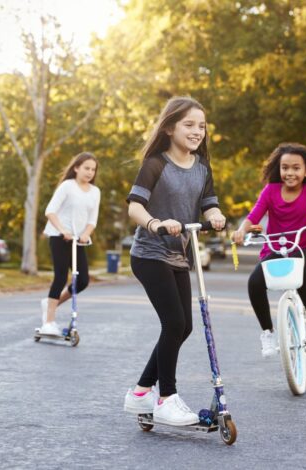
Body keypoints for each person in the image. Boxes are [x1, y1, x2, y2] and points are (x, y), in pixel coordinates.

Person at [122, 96, 226, 426]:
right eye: (190, 125)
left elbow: (208, 205)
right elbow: (134, 207)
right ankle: (166, 397)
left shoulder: (202, 168)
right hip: (150, 254)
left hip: (179, 254)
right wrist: (156, 223)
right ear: (169, 128)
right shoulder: (156, 164)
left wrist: (217, 215)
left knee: (184, 326)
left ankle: (140, 393)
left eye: (202, 126)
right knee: (174, 323)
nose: (198, 132)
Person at [231, 143, 306, 358]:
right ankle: (267, 333)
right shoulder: (270, 191)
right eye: (285, 167)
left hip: (305, 251)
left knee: (297, 263)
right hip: (276, 249)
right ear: (278, 169)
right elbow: (253, 216)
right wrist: (241, 231)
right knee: (254, 281)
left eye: (296, 168)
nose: (290, 172)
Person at [39, 152, 100, 336]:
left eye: (93, 169)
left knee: (82, 281)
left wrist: (85, 234)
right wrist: (62, 230)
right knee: (60, 277)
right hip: (59, 236)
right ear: (76, 168)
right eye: (86, 168)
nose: (90, 172)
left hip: (78, 240)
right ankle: (48, 322)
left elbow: (92, 220)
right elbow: (50, 211)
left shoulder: (95, 192)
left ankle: (51, 302)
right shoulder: (67, 186)